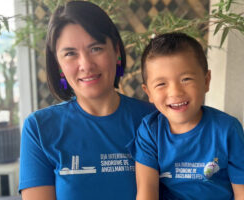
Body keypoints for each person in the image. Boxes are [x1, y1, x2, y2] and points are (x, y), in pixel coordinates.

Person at [19, 1, 155, 200]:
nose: (86, 65)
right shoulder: (39, 128)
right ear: (58, 65)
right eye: (70, 54)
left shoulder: (154, 119)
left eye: (96, 49)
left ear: (116, 51)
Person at [129, 32, 244, 200]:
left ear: (206, 81)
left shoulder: (227, 129)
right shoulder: (150, 131)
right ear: (148, 92)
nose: (175, 92)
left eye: (186, 79)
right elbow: (146, 192)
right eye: (161, 84)